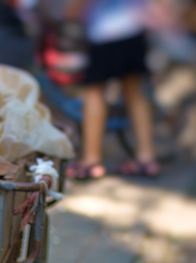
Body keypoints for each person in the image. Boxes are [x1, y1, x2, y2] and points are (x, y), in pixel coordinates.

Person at [64, 0, 161, 179]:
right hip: (133, 27)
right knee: (135, 91)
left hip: (103, 32)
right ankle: (147, 157)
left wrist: (72, 12)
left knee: (94, 92)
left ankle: (91, 160)